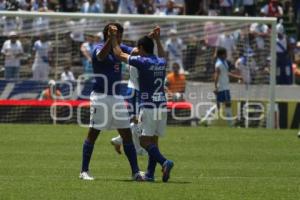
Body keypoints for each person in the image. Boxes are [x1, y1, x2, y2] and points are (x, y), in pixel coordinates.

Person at [79, 22, 144, 181]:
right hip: (100, 96)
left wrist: (149, 39)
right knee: (94, 133)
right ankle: (84, 171)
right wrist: (111, 38)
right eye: (117, 35)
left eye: (120, 36)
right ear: (108, 35)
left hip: (117, 97)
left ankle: (135, 172)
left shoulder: (120, 48)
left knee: (126, 134)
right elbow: (101, 56)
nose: (120, 39)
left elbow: (136, 50)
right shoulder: (98, 48)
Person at [111, 25, 174, 182]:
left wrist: (112, 37)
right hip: (162, 105)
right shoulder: (161, 61)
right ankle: (151, 174)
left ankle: (165, 162)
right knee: (154, 141)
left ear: (140, 48)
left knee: (145, 141)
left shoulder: (142, 62)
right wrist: (157, 40)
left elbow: (119, 54)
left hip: (149, 105)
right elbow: (162, 53)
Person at [214, 47, 241, 126]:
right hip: (222, 87)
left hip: (225, 87)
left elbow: (227, 73)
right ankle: (230, 123)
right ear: (222, 54)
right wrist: (215, 87)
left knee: (220, 104)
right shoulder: (219, 64)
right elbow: (216, 75)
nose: (227, 55)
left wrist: (237, 77)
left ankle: (206, 120)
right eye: (225, 53)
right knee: (226, 104)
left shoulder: (224, 62)